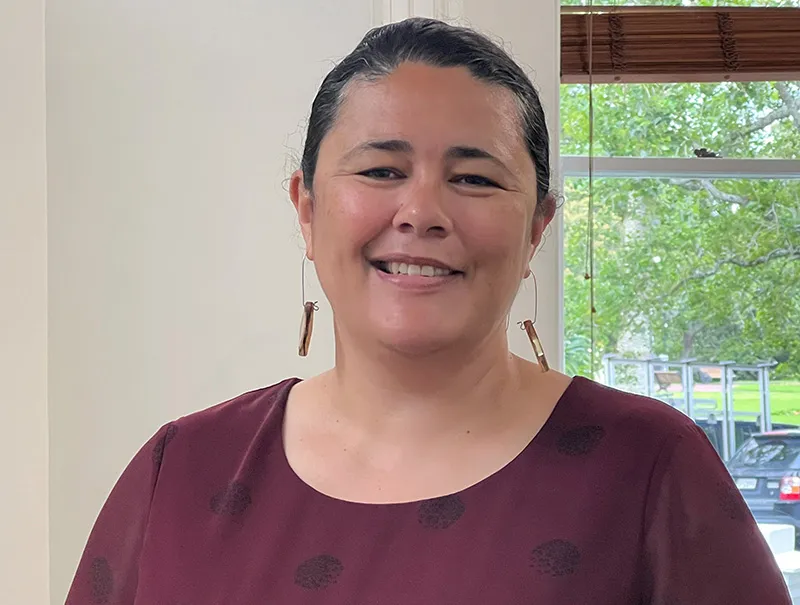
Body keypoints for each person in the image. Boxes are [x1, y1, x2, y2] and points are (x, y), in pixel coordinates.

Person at [66, 17, 790, 604]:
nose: (421, 211)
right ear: (307, 209)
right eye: (382, 170)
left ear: (537, 226)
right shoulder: (184, 469)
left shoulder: (648, 468)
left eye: (473, 177)